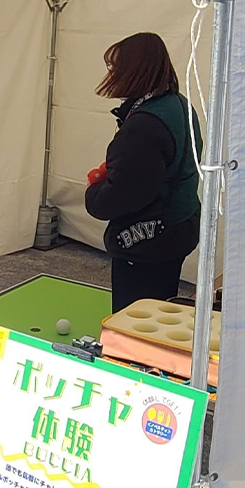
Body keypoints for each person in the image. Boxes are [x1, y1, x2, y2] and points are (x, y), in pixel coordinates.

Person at [85, 32, 202, 313]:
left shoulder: (144, 125)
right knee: (159, 306)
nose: (111, 74)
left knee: (134, 317)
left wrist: (94, 192)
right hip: (179, 224)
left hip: (149, 239)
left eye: (115, 67)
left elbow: (125, 194)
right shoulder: (179, 105)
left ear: (134, 69)